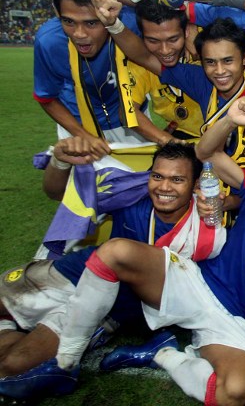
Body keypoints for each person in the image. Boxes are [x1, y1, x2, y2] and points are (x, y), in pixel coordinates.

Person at [34, 94, 245, 405]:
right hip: (196, 284)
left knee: (235, 393)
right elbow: (205, 151)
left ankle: (163, 355)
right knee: (115, 252)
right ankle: (66, 359)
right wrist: (230, 119)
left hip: (235, 320)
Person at [0, 140, 224, 401]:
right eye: (157, 176)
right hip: (66, 274)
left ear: (196, 185)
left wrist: (226, 202)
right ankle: (10, 322)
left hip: (101, 308)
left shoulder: (206, 227)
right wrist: (60, 160)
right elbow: (58, 192)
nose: (164, 187)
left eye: (177, 179)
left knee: (11, 365)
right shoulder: (130, 197)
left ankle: (26, 333)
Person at [91, 0, 245, 180]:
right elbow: (144, 57)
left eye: (227, 61)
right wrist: (114, 25)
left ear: (244, 58)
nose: (219, 71)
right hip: (219, 180)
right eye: (210, 62)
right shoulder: (202, 81)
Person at [33, 0, 153, 155]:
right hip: (77, 125)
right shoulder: (49, 41)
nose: (79, 34)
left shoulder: (129, 23)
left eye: (91, 23)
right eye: (68, 21)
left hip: (133, 121)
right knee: (79, 183)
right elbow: (46, 97)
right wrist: (82, 135)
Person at [130, 0, 204, 142]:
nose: (165, 50)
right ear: (142, 36)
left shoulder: (205, 45)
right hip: (180, 137)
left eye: (173, 39)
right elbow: (128, 111)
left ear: (187, 31)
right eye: (153, 41)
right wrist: (169, 141)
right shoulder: (140, 60)